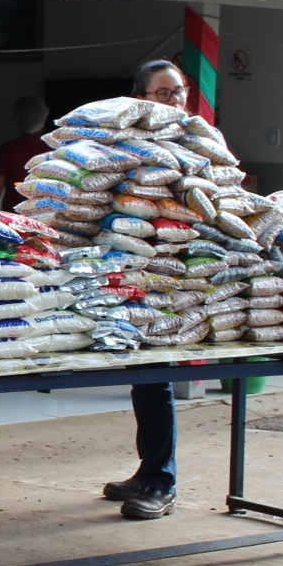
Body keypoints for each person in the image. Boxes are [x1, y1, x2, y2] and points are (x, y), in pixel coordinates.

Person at [105, 58, 191, 520]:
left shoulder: (193, 144)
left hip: (169, 277)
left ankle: (161, 482)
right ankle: (149, 470)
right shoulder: (122, 143)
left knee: (155, 375)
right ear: (141, 100)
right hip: (122, 273)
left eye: (179, 92)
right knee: (143, 378)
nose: (176, 101)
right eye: (165, 93)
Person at [0, 95, 50, 209]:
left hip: (13, 216)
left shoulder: (7, 150)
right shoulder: (53, 150)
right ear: (44, 119)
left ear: (17, 119)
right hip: (44, 214)